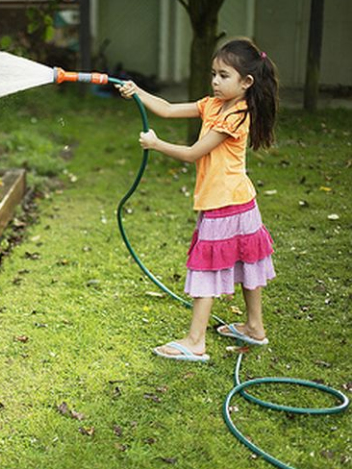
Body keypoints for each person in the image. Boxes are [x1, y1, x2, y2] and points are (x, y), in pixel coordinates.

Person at [115, 38, 279, 362]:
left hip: (225, 204)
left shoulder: (237, 116)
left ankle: (195, 341)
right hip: (238, 201)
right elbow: (168, 108)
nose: (215, 81)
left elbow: (193, 153)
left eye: (224, 76)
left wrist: (156, 144)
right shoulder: (213, 105)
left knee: (207, 267)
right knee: (247, 263)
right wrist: (138, 91)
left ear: (246, 83)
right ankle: (254, 328)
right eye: (214, 74)